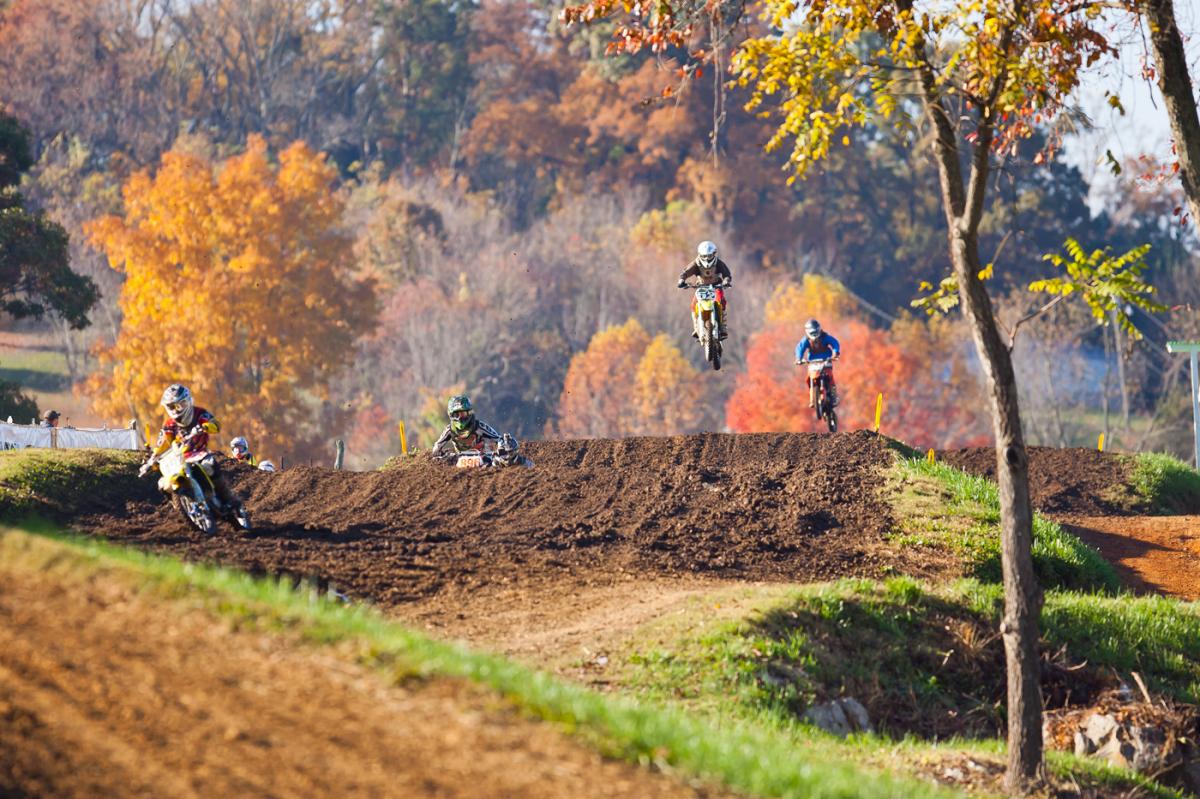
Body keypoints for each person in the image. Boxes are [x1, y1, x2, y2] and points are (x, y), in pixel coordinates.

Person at [145, 384, 245, 513]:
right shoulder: (169, 424)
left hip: (199, 453)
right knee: (163, 484)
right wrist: (153, 457)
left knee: (210, 466)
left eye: (179, 405)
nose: (176, 410)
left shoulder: (199, 413)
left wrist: (205, 426)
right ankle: (180, 505)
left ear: (188, 402)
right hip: (180, 458)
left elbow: (215, 425)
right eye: (171, 407)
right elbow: (162, 443)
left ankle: (229, 498)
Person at [677, 240, 733, 340]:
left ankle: (723, 326)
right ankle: (696, 327)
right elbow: (686, 271)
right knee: (693, 305)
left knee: (721, 301)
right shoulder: (696, 263)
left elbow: (727, 274)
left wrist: (726, 281)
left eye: (709, 256)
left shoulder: (718, 263)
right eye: (704, 256)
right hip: (701, 287)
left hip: (716, 286)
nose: (707, 259)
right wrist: (682, 280)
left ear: (714, 254)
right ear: (700, 255)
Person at [431, 394, 502, 460]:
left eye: (463, 414)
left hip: (482, 459)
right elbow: (436, 448)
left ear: (468, 413)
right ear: (451, 414)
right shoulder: (450, 429)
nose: (460, 418)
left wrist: (500, 450)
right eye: (456, 415)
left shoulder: (478, 426)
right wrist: (446, 456)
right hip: (459, 461)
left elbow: (499, 439)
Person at [795, 319, 841, 408]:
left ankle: (833, 395)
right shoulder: (806, 340)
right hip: (813, 362)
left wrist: (835, 352)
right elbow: (800, 348)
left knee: (829, 376)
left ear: (819, 329)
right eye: (812, 333)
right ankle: (812, 398)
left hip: (826, 359)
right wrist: (798, 358)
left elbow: (834, 343)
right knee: (809, 378)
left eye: (816, 332)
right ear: (807, 332)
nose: (814, 335)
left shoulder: (825, 337)